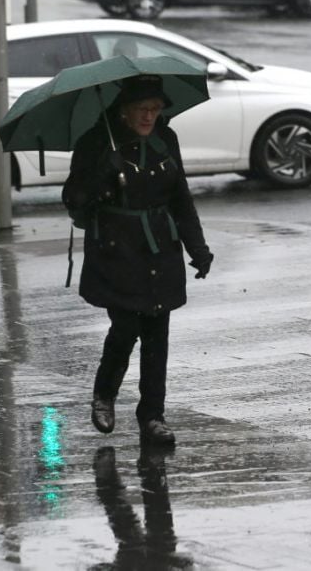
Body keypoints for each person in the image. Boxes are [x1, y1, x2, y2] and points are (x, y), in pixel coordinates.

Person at [62, 75, 213, 445]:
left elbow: (180, 197)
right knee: (126, 327)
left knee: (157, 334)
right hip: (117, 249)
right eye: (142, 109)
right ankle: (105, 395)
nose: (149, 116)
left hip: (161, 248)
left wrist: (198, 248)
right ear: (124, 110)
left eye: (156, 109)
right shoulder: (97, 141)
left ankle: (152, 417)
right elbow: (74, 200)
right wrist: (103, 172)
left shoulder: (166, 139)